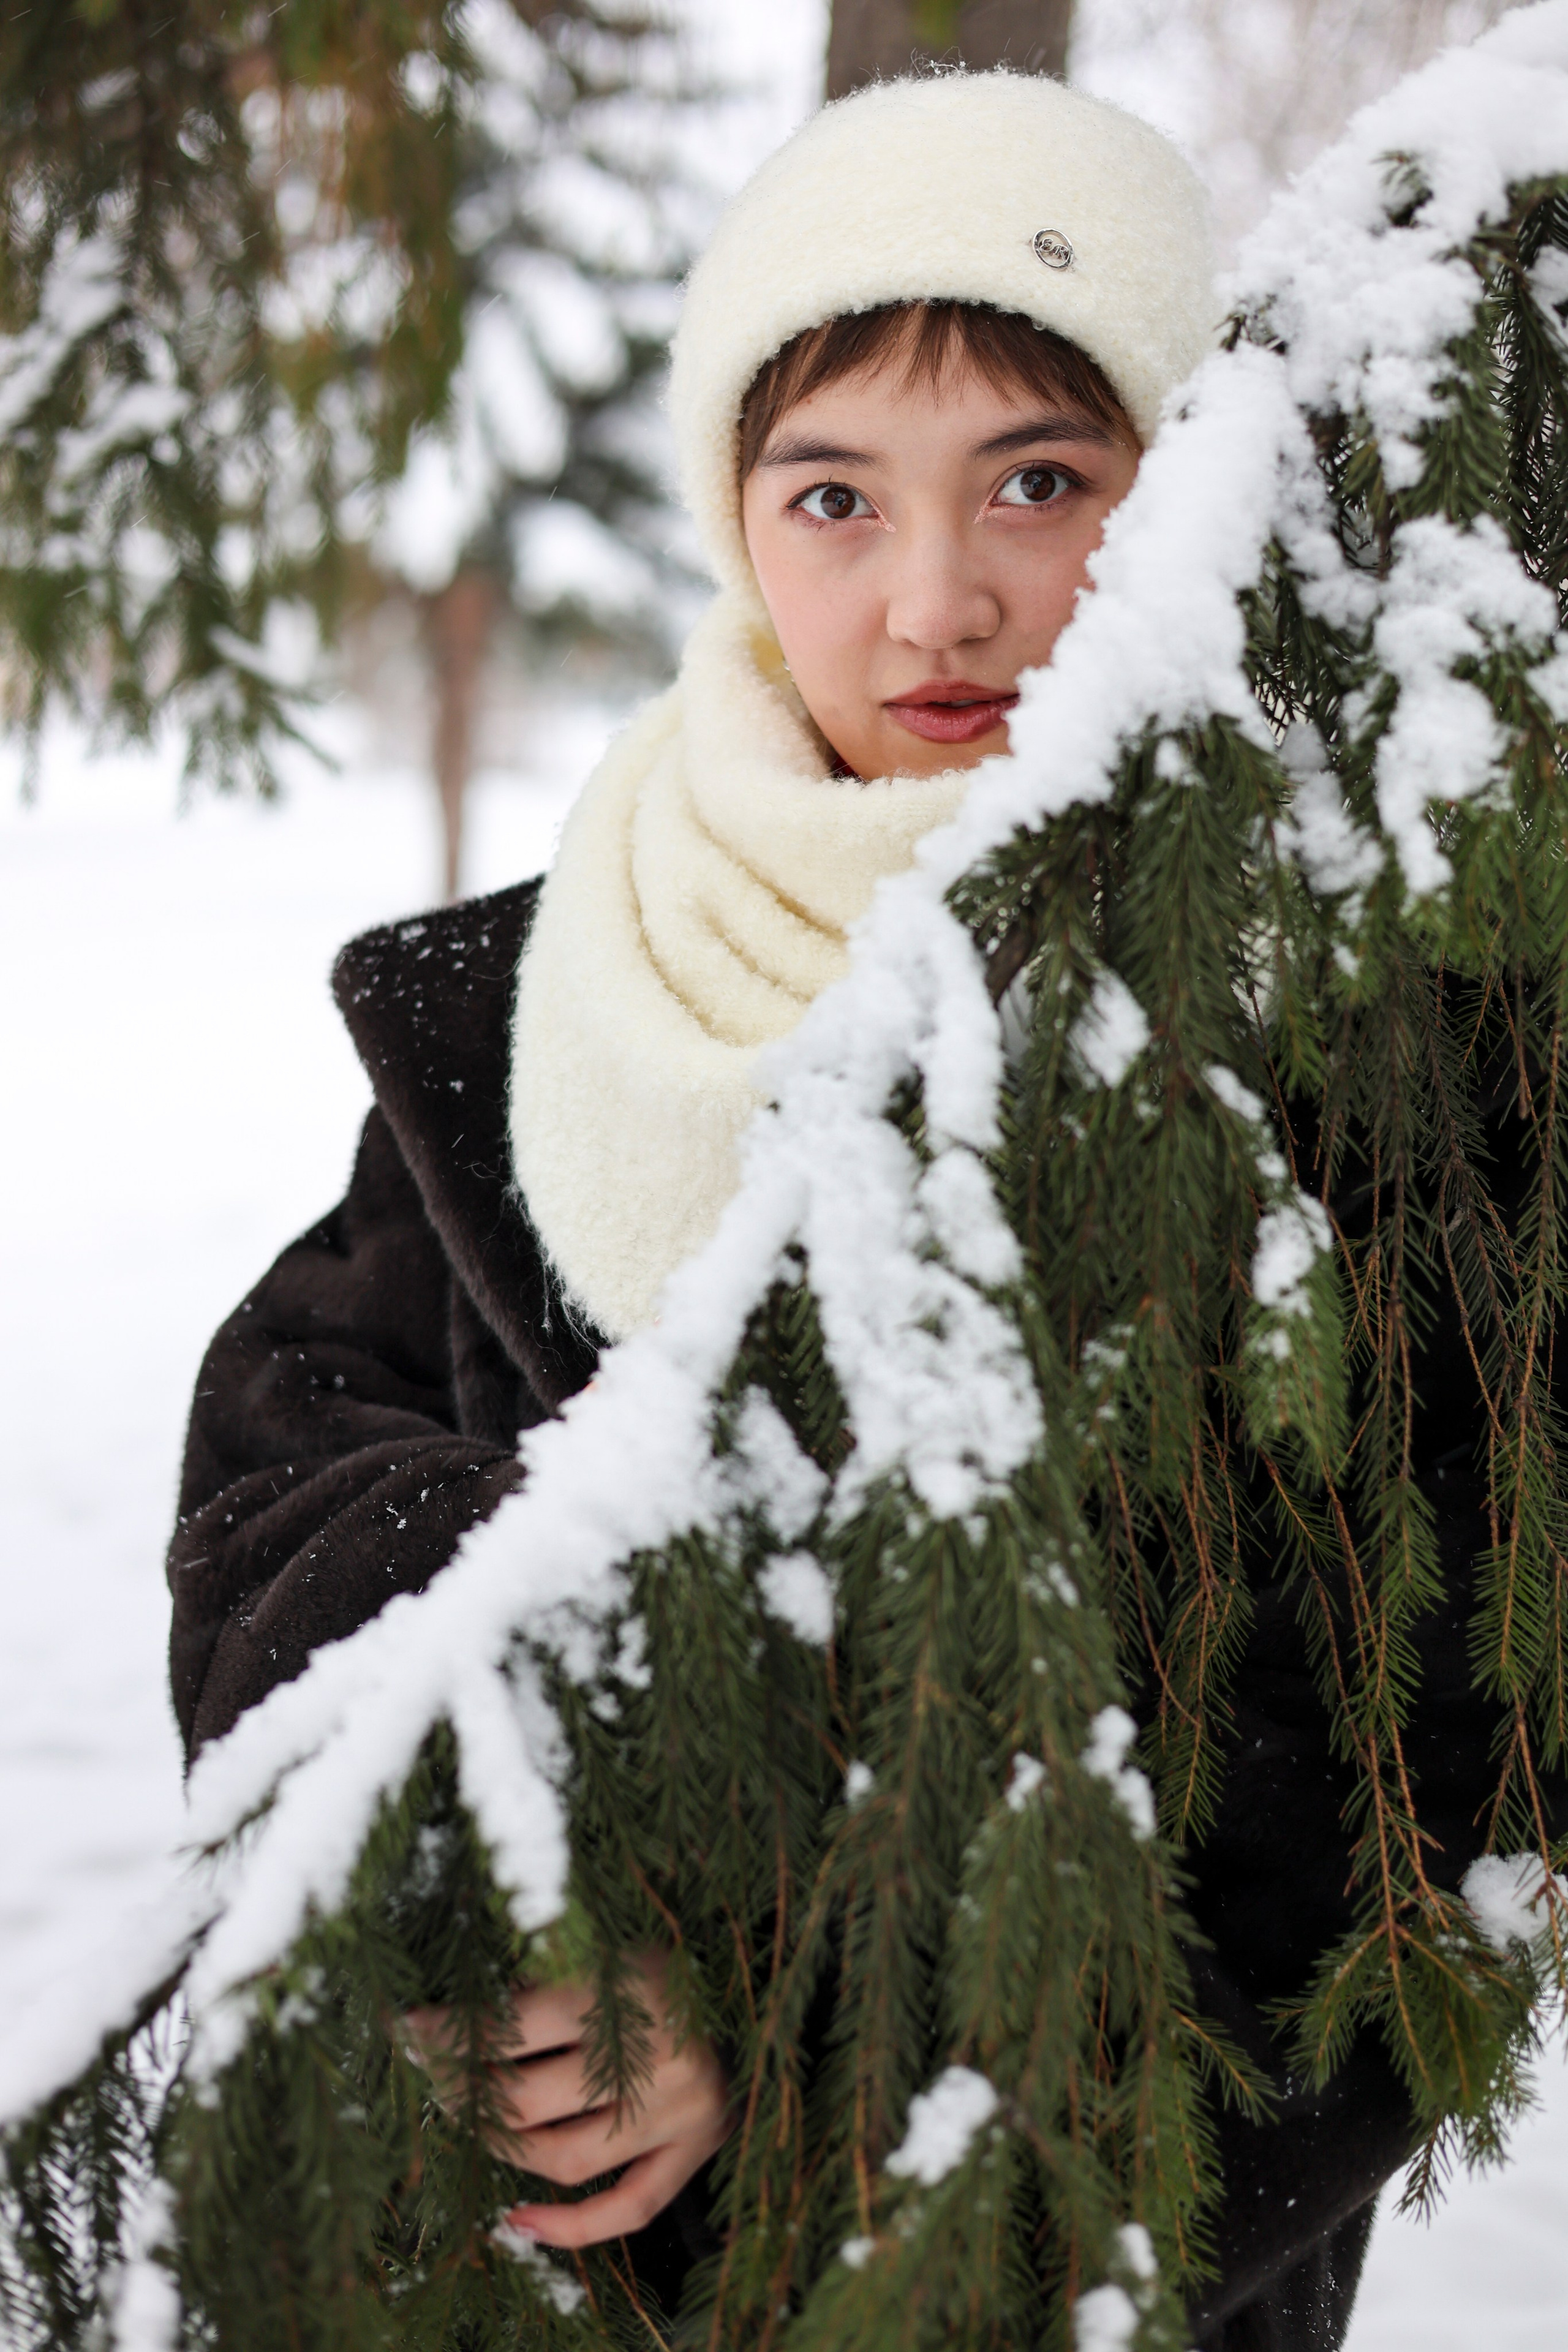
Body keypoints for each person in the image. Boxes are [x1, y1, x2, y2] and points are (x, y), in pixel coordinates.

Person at [165, 69, 1512, 2350]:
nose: (935, 599)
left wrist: (782, 2090)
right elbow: (289, 1463)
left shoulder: (1356, 1048)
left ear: (1187, 493)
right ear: (735, 518)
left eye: (1042, 478)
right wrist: (522, 1886)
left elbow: (1392, 1786)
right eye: (829, 495)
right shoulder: (537, 990)